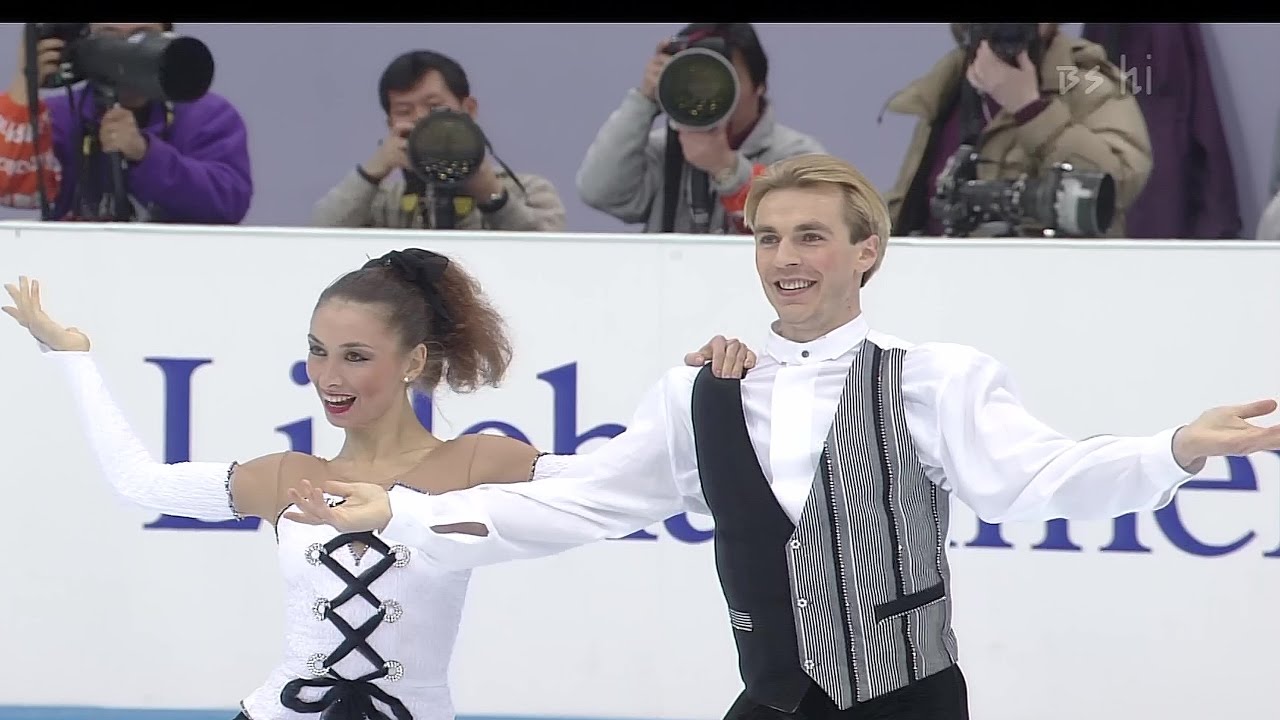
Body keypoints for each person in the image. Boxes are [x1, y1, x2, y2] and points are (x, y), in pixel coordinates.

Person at [285, 154, 1280, 720]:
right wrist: (405, 514)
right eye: (767, 237)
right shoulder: (704, 389)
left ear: (865, 252)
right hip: (772, 701)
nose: (784, 257)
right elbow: (582, 501)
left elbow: (1038, 479)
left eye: (809, 236)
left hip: (907, 701)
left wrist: (1178, 446)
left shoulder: (931, 378)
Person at [1, 254, 752, 720]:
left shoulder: (476, 464)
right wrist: (71, 356)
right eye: (317, 352)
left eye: (355, 356)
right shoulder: (288, 478)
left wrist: (702, 391)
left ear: (414, 362)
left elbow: (621, 481)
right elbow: (138, 480)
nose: (329, 376)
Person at [881, 23, 1151, 238]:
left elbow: (1119, 183)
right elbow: (909, 205)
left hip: (1047, 279)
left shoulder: (1087, 84)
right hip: (943, 277)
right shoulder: (951, 86)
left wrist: (1031, 110)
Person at [575, 22, 826, 234]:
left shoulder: (798, 155)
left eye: (726, 80)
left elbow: (807, 225)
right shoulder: (665, 149)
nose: (709, 93)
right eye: (696, 80)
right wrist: (644, 100)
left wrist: (727, 169)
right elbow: (599, 192)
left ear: (760, 86)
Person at [0, 23, 253, 223]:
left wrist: (146, 154)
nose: (123, 50)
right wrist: (24, 85)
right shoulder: (59, 115)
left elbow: (229, 202)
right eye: (108, 36)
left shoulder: (207, 114)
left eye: (142, 36)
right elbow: (9, 186)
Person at [312, 50, 565, 232]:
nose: (421, 119)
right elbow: (317, 237)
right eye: (404, 111)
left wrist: (493, 196)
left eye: (434, 107)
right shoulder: (382, 200)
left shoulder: (529, 190)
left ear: (469, 110)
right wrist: (371, 174)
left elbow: (551, 254)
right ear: (390, 124)